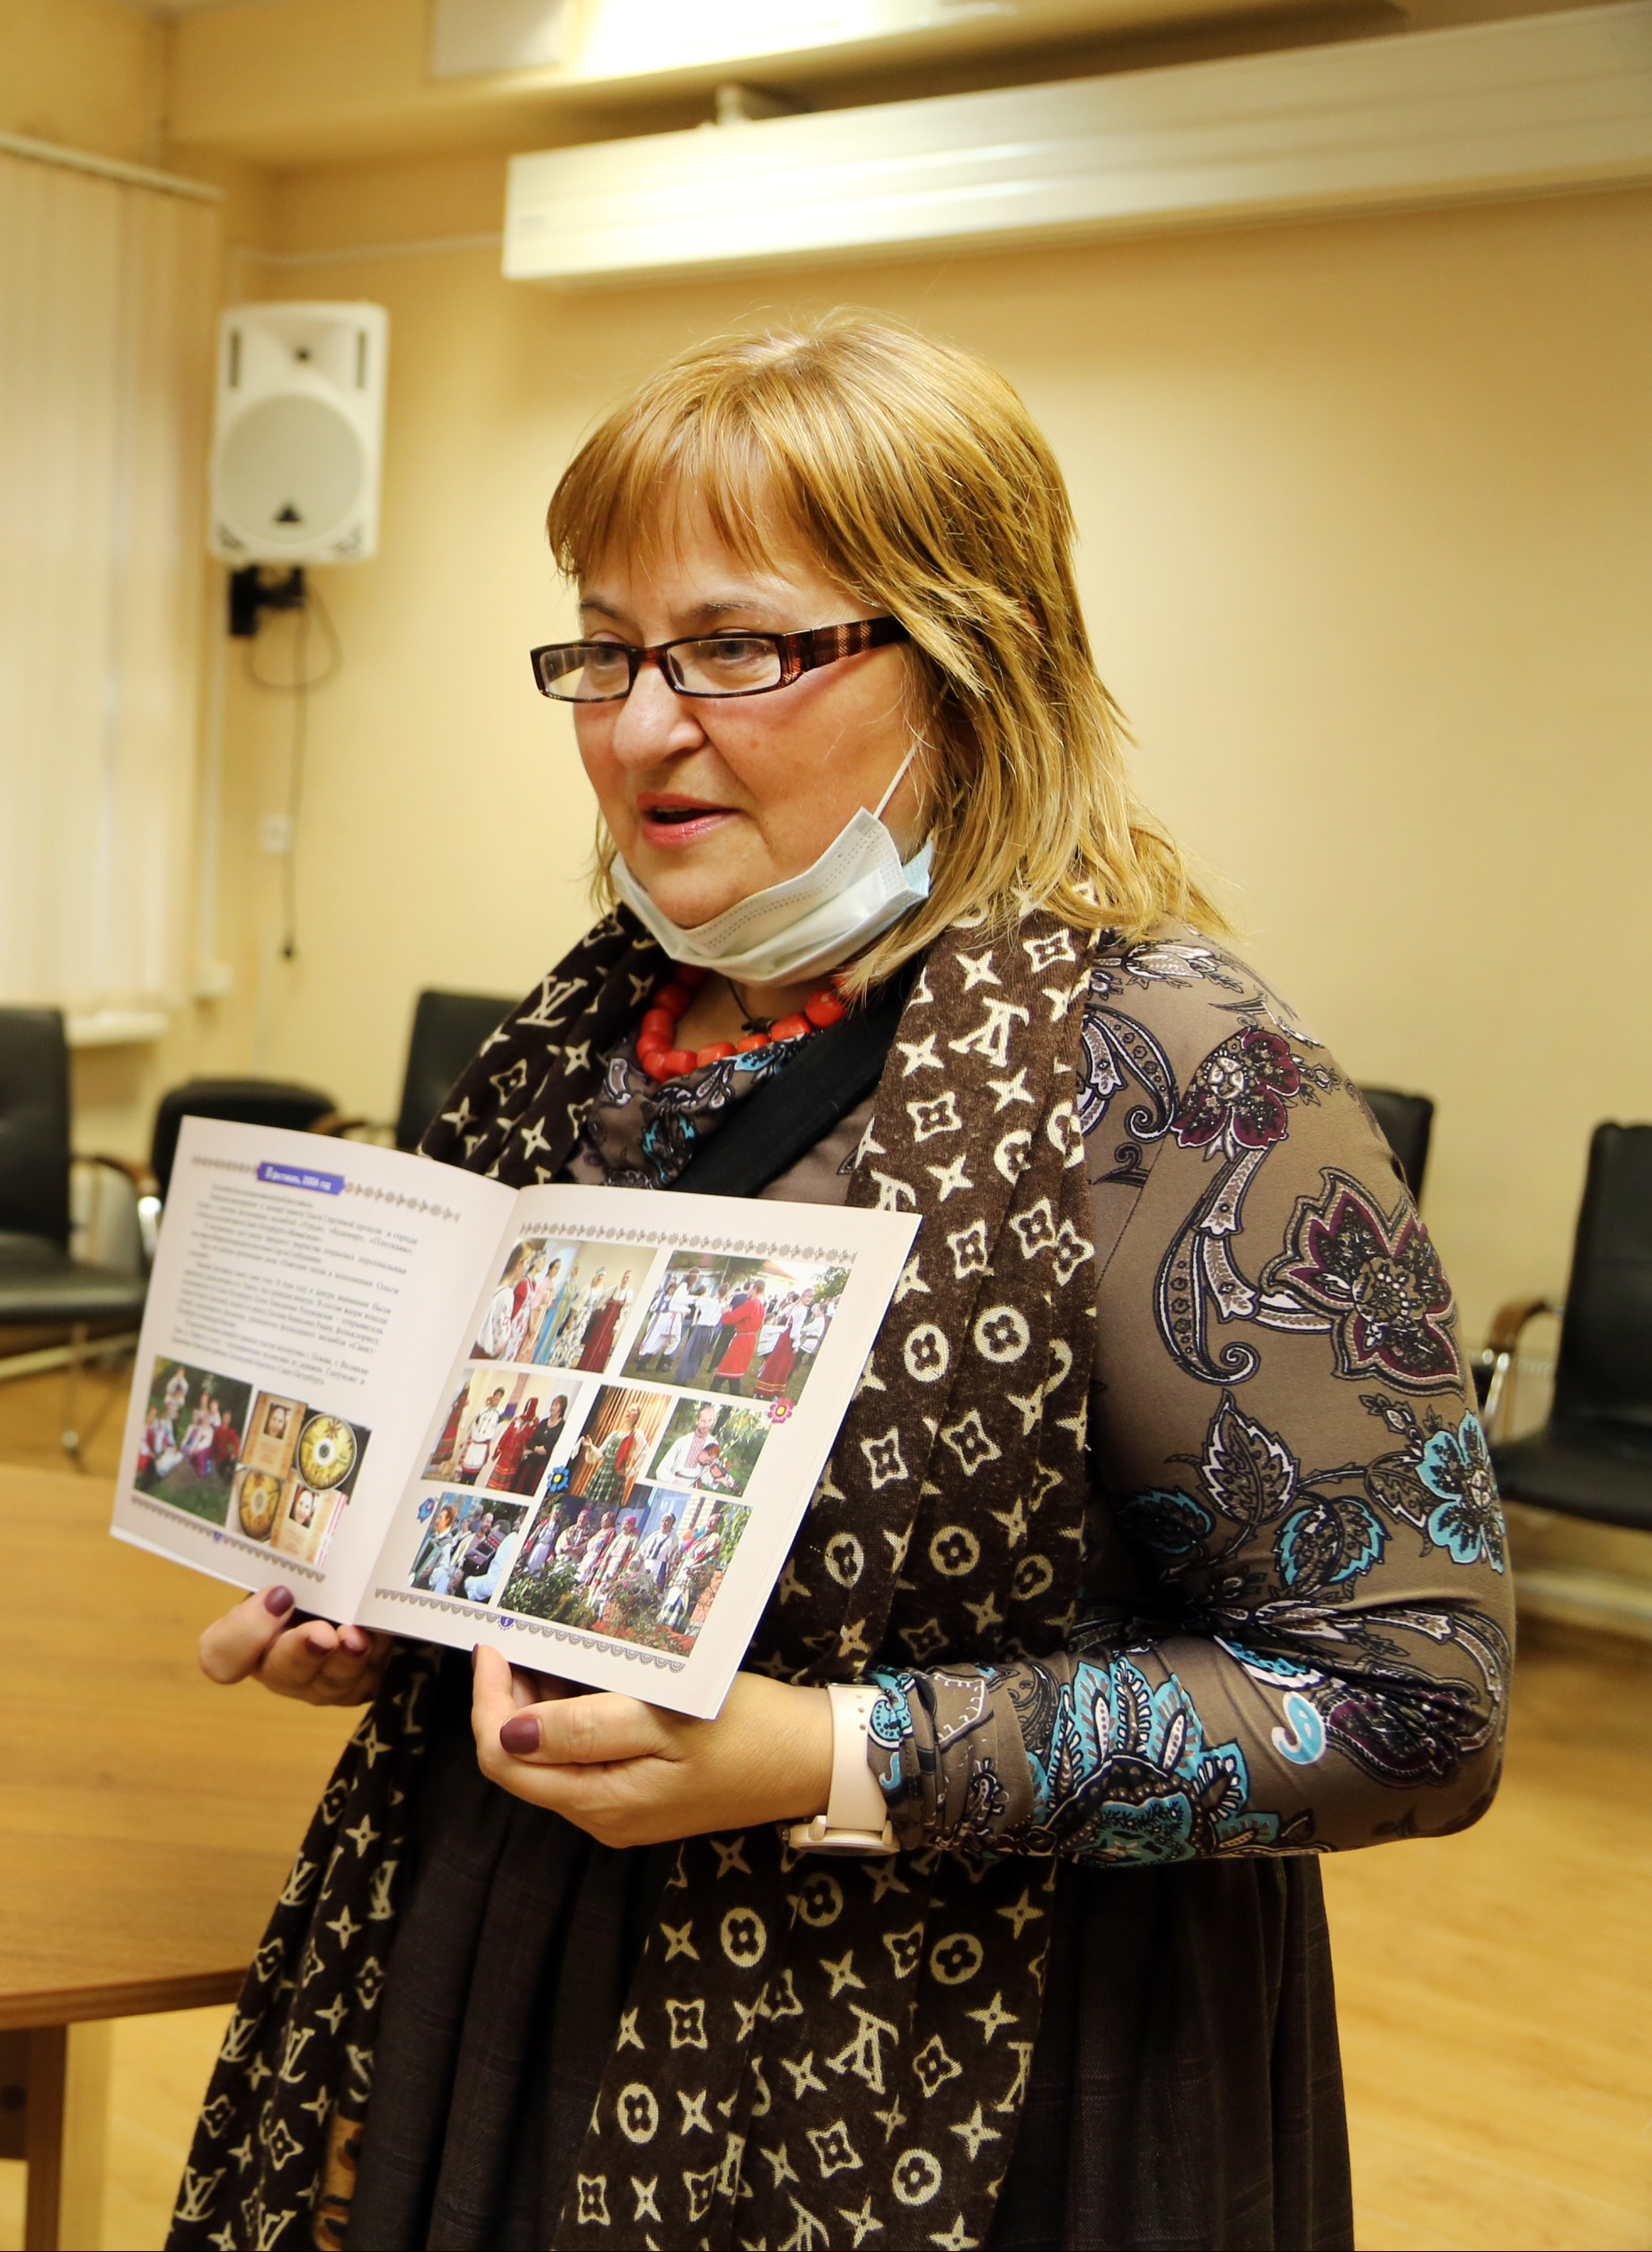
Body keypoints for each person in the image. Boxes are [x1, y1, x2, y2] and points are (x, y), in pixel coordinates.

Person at [186, 311, 1503, 2251]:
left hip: (959, 2069)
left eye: (735, 649)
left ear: (970, 666)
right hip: (511, 1984)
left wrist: (828, 1754)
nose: (640, 729)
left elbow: (1412, 1701)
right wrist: (373, 1600)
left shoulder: (1169, 1077)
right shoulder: (573, 1041)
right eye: (605, 650)